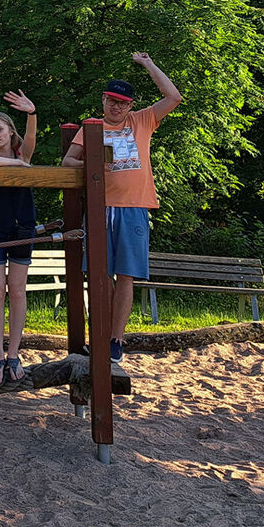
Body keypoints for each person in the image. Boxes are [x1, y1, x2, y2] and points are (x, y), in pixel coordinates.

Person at [61, 53, 183, 363]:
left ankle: (116, 341)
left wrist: (148, 64)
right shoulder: (91, 128)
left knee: (126, 275)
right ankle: (99, 337)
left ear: (130, 105)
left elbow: (173, 96)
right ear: (103, 100)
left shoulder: (141, 120)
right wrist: (93, 161)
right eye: (112, 100)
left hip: (134, 206)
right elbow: (67, 162)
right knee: (100, 276)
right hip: (101, 207)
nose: (117, 106)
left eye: (123, 102)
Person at [0, 91, 39, 383]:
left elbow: (30, 145)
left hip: (23, 225)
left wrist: (31, 113)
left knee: (17, 290)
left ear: (10, 130)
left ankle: (14, 353)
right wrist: (16, 166)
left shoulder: (23, 151)